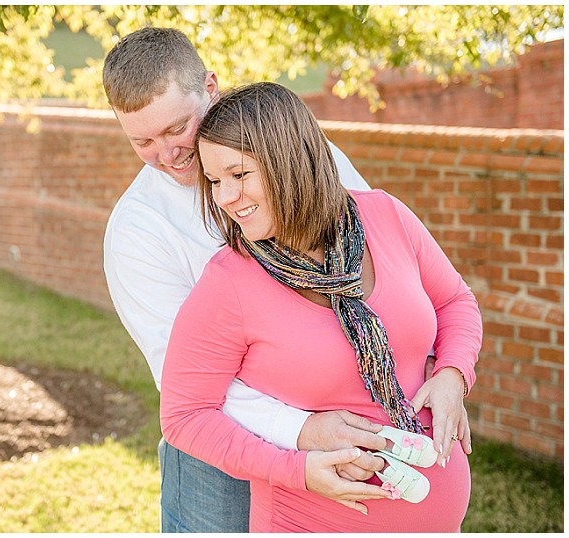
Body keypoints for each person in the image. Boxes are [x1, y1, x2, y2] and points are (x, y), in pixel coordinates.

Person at [103, 27, 471, 532]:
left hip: (354, 430)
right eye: (142, 141)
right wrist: (302, 434)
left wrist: (440, 373)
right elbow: (184, 385)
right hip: (223, 455)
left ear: (211, 88)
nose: (168, 154)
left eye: (176, 129)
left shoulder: (310, 158)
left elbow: (374, 278)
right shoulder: (137, 232)